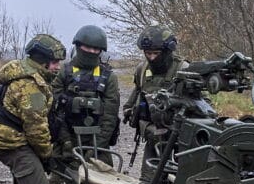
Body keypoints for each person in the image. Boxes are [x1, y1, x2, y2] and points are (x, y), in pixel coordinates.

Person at [0, 33, 66, 184]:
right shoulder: (31, 86)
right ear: (43, 61)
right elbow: (36, 129)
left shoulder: (24, 75)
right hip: (15, 146)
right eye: (55, 62)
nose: (58, 67)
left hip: (14, 144)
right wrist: (48, 156)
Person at [122, 25, 188, 170]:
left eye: (156, 53)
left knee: (180, 182)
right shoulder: (142, 69)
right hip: (152, 135)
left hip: (179, 140)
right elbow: (138, 91)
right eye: (148, 53)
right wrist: (129, 109)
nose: (151, 57)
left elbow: (202, 105)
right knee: (148, 183)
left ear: (168, 51)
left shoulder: (183, 70)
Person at [51, 25, 120, 162]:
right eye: (87, 48)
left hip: (98, 143)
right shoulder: (63, 73)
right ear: (78, 46)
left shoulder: (109, 77)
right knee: (57, 179)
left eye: (96, 49)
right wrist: (66, 142)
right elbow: (56, 112)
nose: (91, 51)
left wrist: (96, 148)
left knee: (103, 181)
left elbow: (109, 117)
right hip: (67, 140)